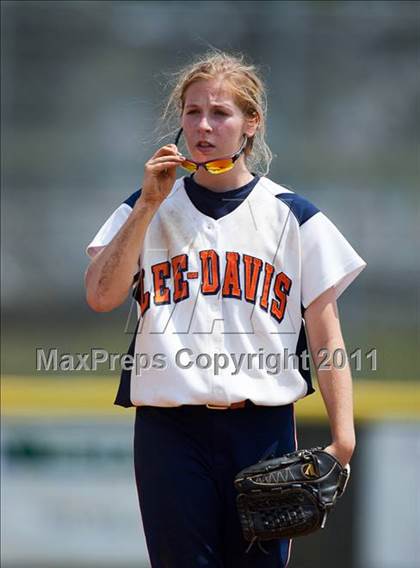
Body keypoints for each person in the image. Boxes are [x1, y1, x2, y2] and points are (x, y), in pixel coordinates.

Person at [84, 51, 367, 568]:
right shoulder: (146, 207)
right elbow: (101, 296)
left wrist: (343, 439)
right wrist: (147, 205)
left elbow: (326, 336)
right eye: (192, 112)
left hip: (263, 430)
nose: (204, 126)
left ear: (251, 125)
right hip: (170, 432)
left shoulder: (293, 217)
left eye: (220, 113)